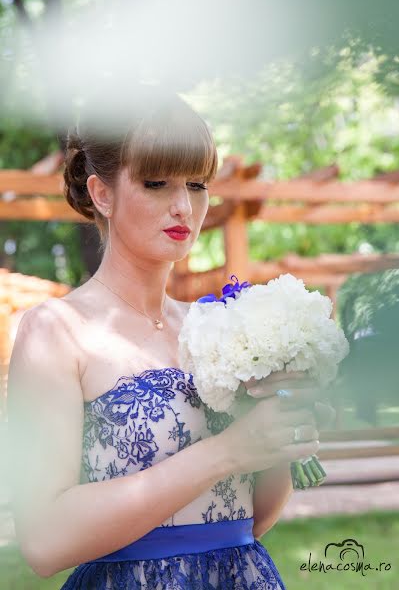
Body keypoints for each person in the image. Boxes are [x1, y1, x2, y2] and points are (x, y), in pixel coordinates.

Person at [6, 84, 331, 589]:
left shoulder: (219, 327)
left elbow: (251, 518)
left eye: (198, 184)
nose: (184, 206)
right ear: (102, 193)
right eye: (157, 183)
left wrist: (278, 436)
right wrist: (227, 451)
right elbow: (45, 542)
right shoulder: (55, 331)